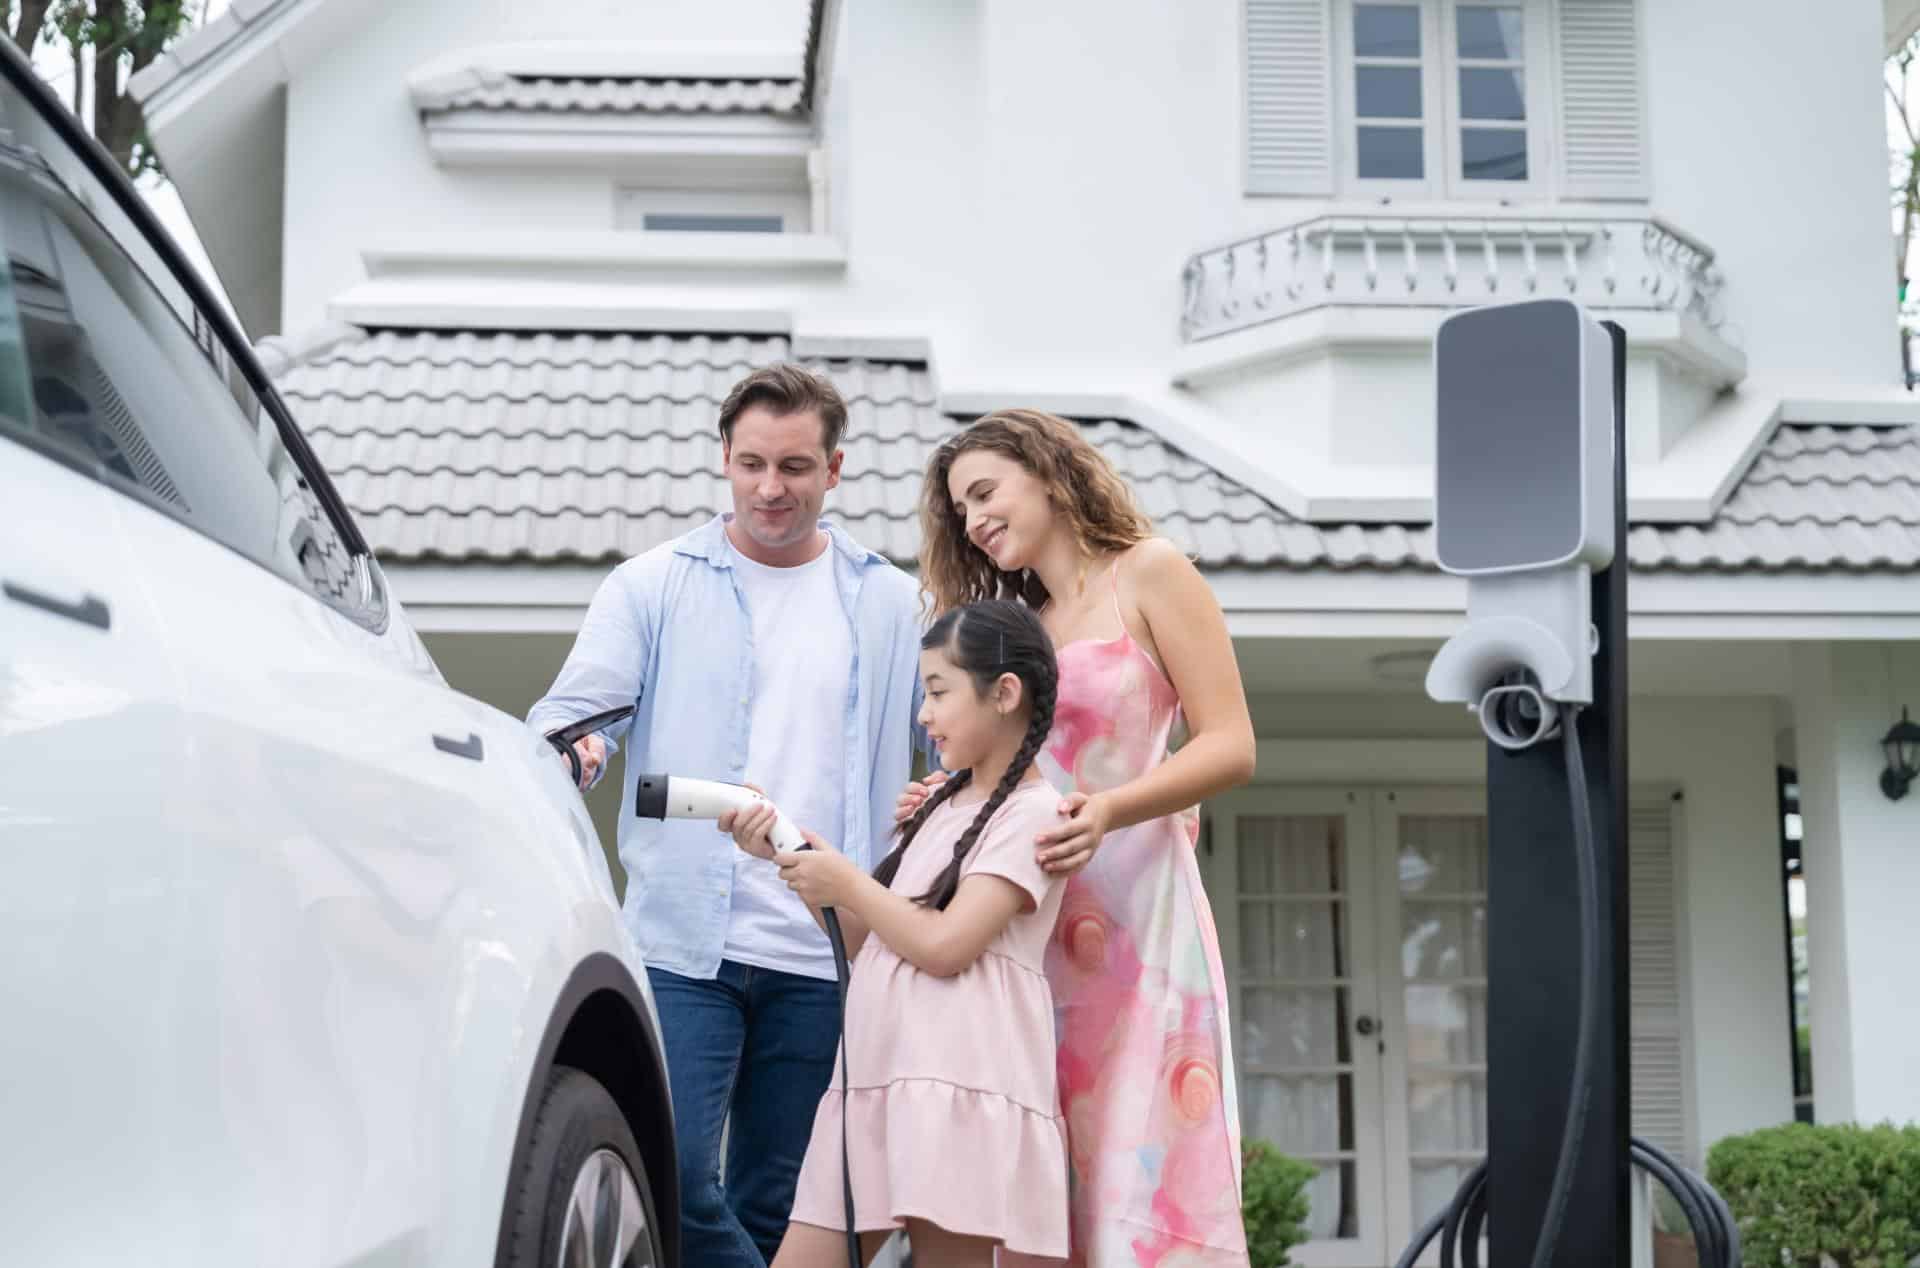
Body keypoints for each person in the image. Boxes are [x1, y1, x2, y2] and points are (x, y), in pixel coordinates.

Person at [526, 364, 926, 1268]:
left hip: (827, 949)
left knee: (782, 1202)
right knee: (673, 1175)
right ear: (725, 460)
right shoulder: (651, 585)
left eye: (794, 467)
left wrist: (939, 794)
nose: (770, 489)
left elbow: (954, 743)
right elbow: (572, 718)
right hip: (682, 947)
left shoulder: (894, 603)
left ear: (835, 469)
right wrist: (579, 749)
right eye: (751, 464)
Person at [898, 408, 1259, 1267]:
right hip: (1032, 926)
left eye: (986, 492)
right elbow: (1024, 778)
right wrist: (946, 798)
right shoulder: (1018, 630)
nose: (977, 520)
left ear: (1050, 473)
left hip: (1140, 922)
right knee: (1047, 1165)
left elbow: (1231, 744)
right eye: (962, 510)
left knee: (1144, 1153)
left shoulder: (1152, 574)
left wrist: (1112, 810)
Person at [727, 600, 1072, 1268]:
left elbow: (945, 945)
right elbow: (871, 941)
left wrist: (849, 883)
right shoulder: (942, 807)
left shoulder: (1034, 815)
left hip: (958, 1088)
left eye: (939, 693)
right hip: (880, 1085)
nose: (924, 714)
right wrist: (790, 855)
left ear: (1004, 693)